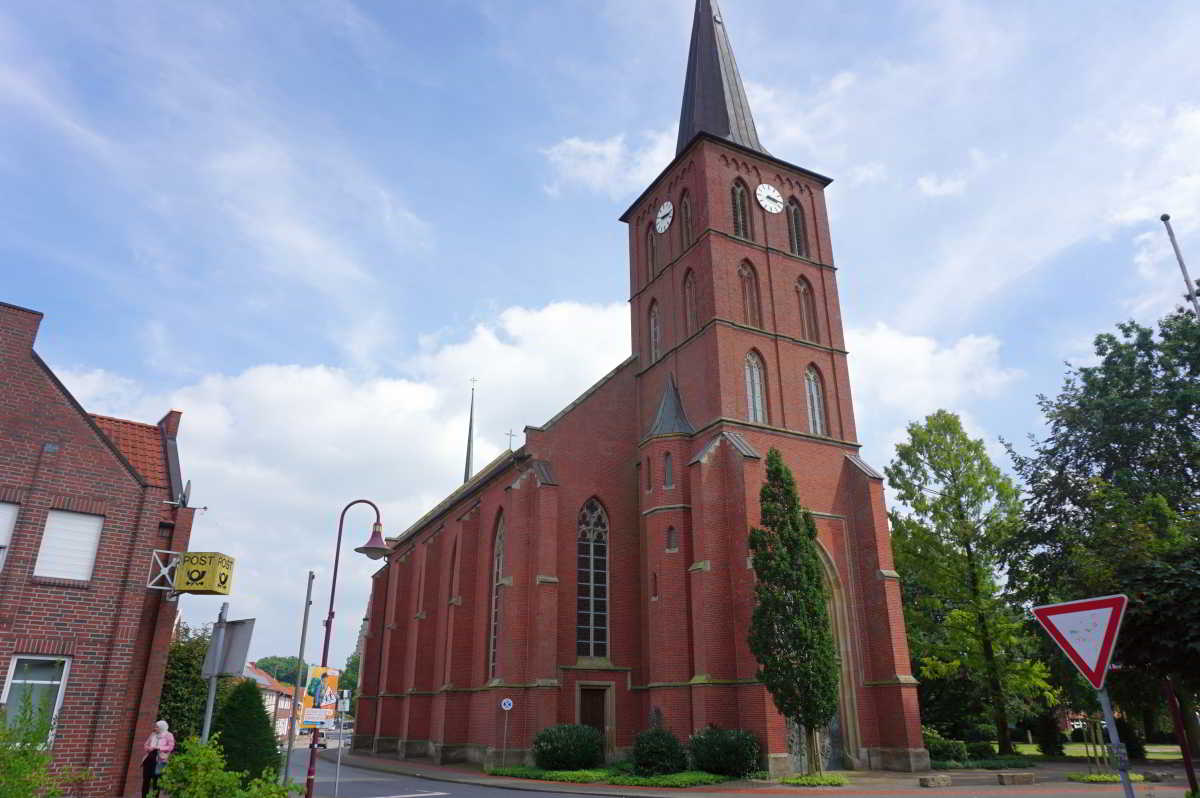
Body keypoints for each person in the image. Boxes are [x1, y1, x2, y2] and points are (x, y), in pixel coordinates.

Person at [141, 720, 175, 798]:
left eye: (157, 727)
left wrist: (158, 748)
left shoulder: (168, 735)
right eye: (155, 726)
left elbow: (170, 747)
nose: (155, 728)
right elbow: (145, 744)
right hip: (149, 758)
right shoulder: (153, 734)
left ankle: (155, 796)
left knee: (157, 782)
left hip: (160, 760)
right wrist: (148, 748)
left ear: (162, 727)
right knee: (146, 780)